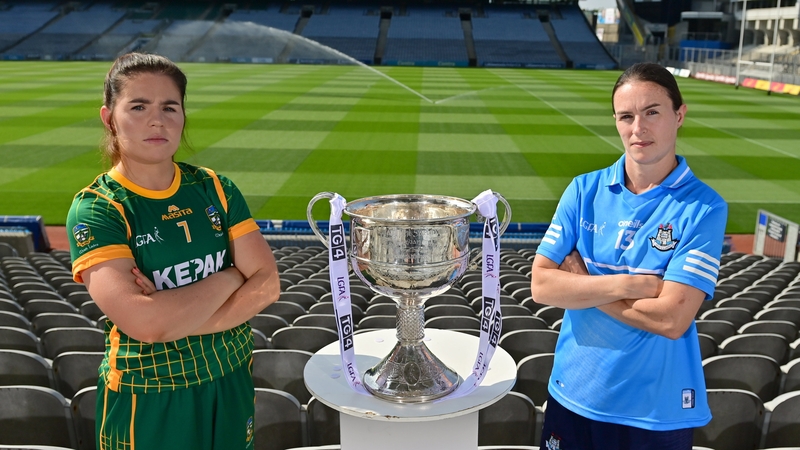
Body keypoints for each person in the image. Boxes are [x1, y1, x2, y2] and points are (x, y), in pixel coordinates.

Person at [66, 52, 280, 450]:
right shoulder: (99, 207)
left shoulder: (215, 187)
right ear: (109, 117)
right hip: (150, 392)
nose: (157, 119)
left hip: (230, 374)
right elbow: (147, 326)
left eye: (170, 107)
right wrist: (233, 275)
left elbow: (268, 286)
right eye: (138, 106)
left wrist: (170, 315)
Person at [530, 62, 728, 450]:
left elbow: (671, 319)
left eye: (652, 112)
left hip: (653, 414)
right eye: (626, 116)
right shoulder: (583, 190)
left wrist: (584, 284)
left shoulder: (705, 208)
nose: (638, 128)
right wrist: (628, 285)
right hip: (573, 396)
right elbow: (540, 286)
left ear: (679, 114)